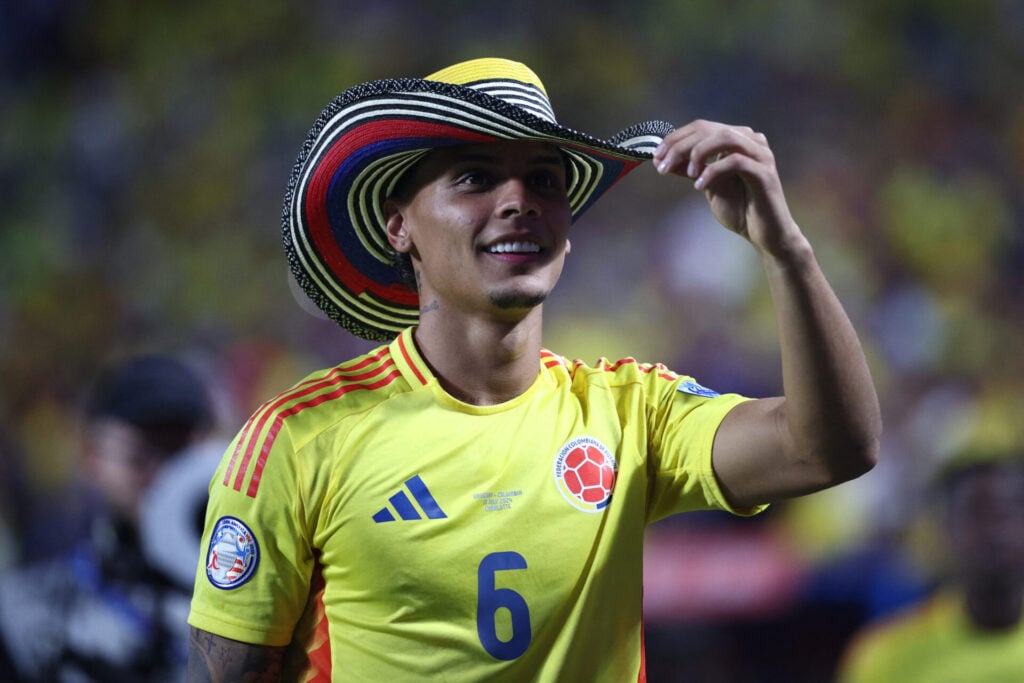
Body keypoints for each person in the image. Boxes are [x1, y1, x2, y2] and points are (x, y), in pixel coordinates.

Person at [186, 57, 881, 681]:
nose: (519, 199)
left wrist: (785, 250)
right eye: (476, 178)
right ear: (400, 226)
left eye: (543, 179)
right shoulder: (298, 439)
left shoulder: (631, 410)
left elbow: (830, 448)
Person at [0, 354, 216, 683]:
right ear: (92, 456)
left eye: (180, 451)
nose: (166, 475)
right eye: (141, 454)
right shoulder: (29, 613)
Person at [836, 446, 1024, 682]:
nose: (995, 530)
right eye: (976, 513)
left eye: (1008, 512)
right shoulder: (886, 655)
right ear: (946, 531)